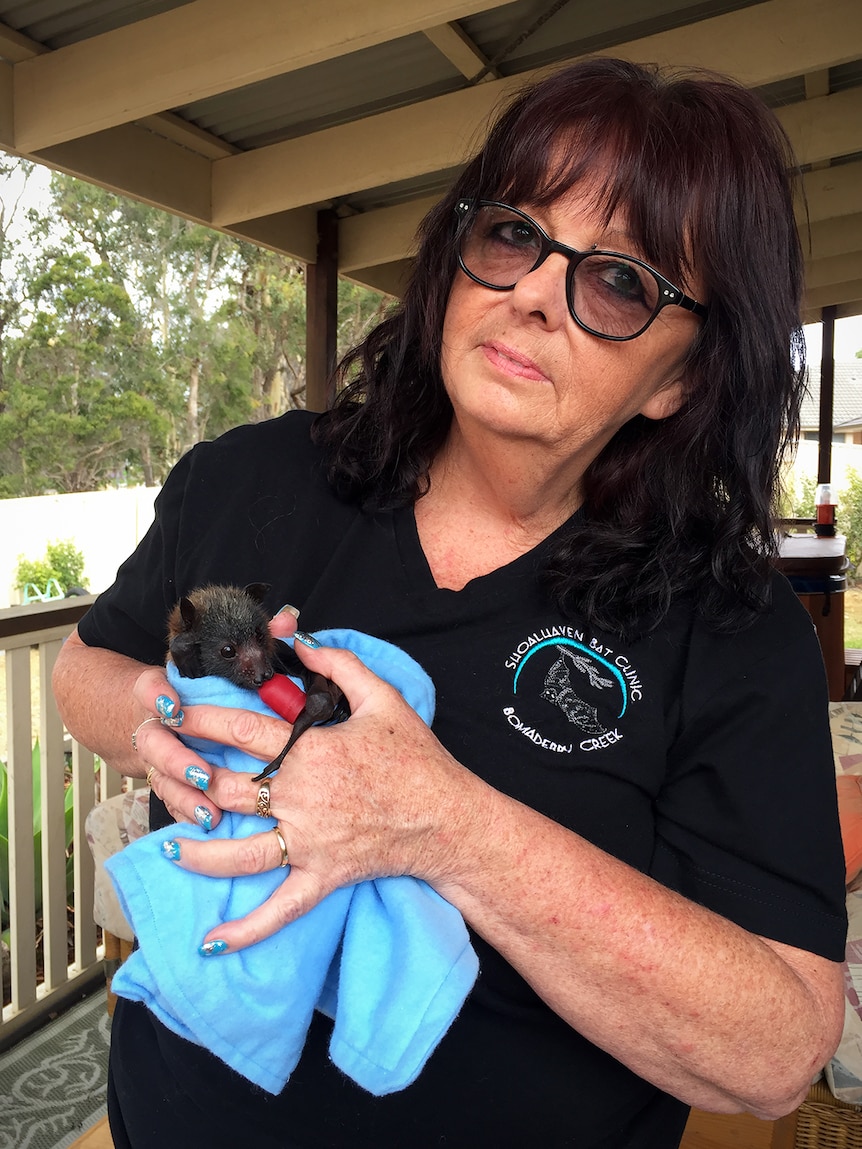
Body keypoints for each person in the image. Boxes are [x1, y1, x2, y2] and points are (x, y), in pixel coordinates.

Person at [53, 57, 847, 1149]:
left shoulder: (726, 622)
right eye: (514, 234)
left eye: (619, 280)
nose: (532, 292)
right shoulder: (257, 481)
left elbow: (774, 1053)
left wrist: (445, 830)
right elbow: (86, 670)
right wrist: (169, 716)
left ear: (679, 381)